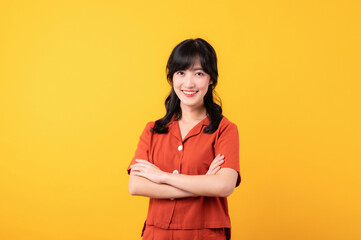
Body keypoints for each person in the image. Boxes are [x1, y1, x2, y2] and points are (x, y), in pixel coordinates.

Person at [127, 38, 241, 240]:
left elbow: (224, 186)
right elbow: (136, 186)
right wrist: (204, 183)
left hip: (205, 235)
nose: (189, 83)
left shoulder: (225, 130)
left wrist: (163, 177)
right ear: (172, 77)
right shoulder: (153, 130)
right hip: (157, 234)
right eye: (181, 73)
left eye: (198, 73)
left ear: (211, 79)